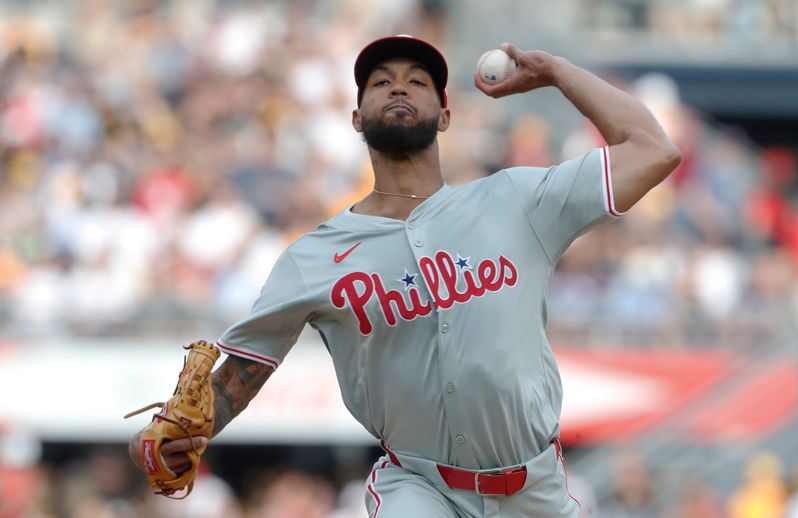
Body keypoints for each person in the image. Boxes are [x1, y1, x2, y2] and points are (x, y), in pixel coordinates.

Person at [129, 35, 680, 517]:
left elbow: (654, 150)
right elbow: (235, 378)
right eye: (380, 82)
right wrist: (178, 439)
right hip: (419, 489)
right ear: (355, 116)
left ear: (444, 115)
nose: (398, 88)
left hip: (537, 491)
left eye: (417, 81)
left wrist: (559, 72)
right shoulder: (315, 256)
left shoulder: (517, 200)